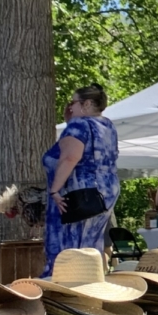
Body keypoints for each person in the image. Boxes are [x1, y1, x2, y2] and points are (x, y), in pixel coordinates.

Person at [43, 84, 121, 274]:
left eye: (73, 102)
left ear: (86, 104)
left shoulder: (79, 125)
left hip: (78, 193)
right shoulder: (107, 124)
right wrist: (70, 122)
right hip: (104, 191)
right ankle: (88, 280)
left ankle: (67, 284)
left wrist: (54, 190)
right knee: (90, 244)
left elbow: (70, 157)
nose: (70, 107)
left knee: (69, 246)